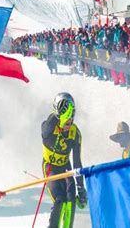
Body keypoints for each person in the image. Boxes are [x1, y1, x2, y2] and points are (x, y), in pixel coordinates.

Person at [41, 92, 87, 228]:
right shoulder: (49, 128)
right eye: (66, 119)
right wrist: (58, 116)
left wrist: (81, 187)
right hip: (50, 168)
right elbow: (45, 131)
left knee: (71, 200)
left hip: (66, 168)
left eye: (71, 118)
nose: (69, 123)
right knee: (60, 199)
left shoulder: (75, 133)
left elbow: (77, 161)